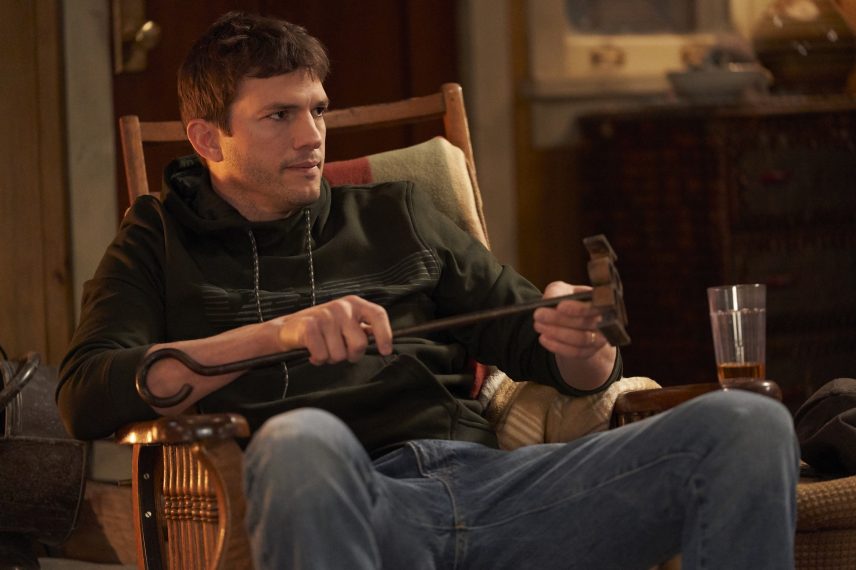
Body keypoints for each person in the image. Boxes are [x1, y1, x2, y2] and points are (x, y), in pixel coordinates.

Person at [58, 12, 799, 569]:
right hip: (342, 502)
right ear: (207, 139)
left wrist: (582, 342)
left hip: (492, 488)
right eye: (279, 115)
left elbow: (535, 344)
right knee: (301, 438)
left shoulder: (396, 213)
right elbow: (86, 393)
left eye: (317, 109)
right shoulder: (158, 237)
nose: (312, 135)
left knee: (747, 423)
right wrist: (278, 334)